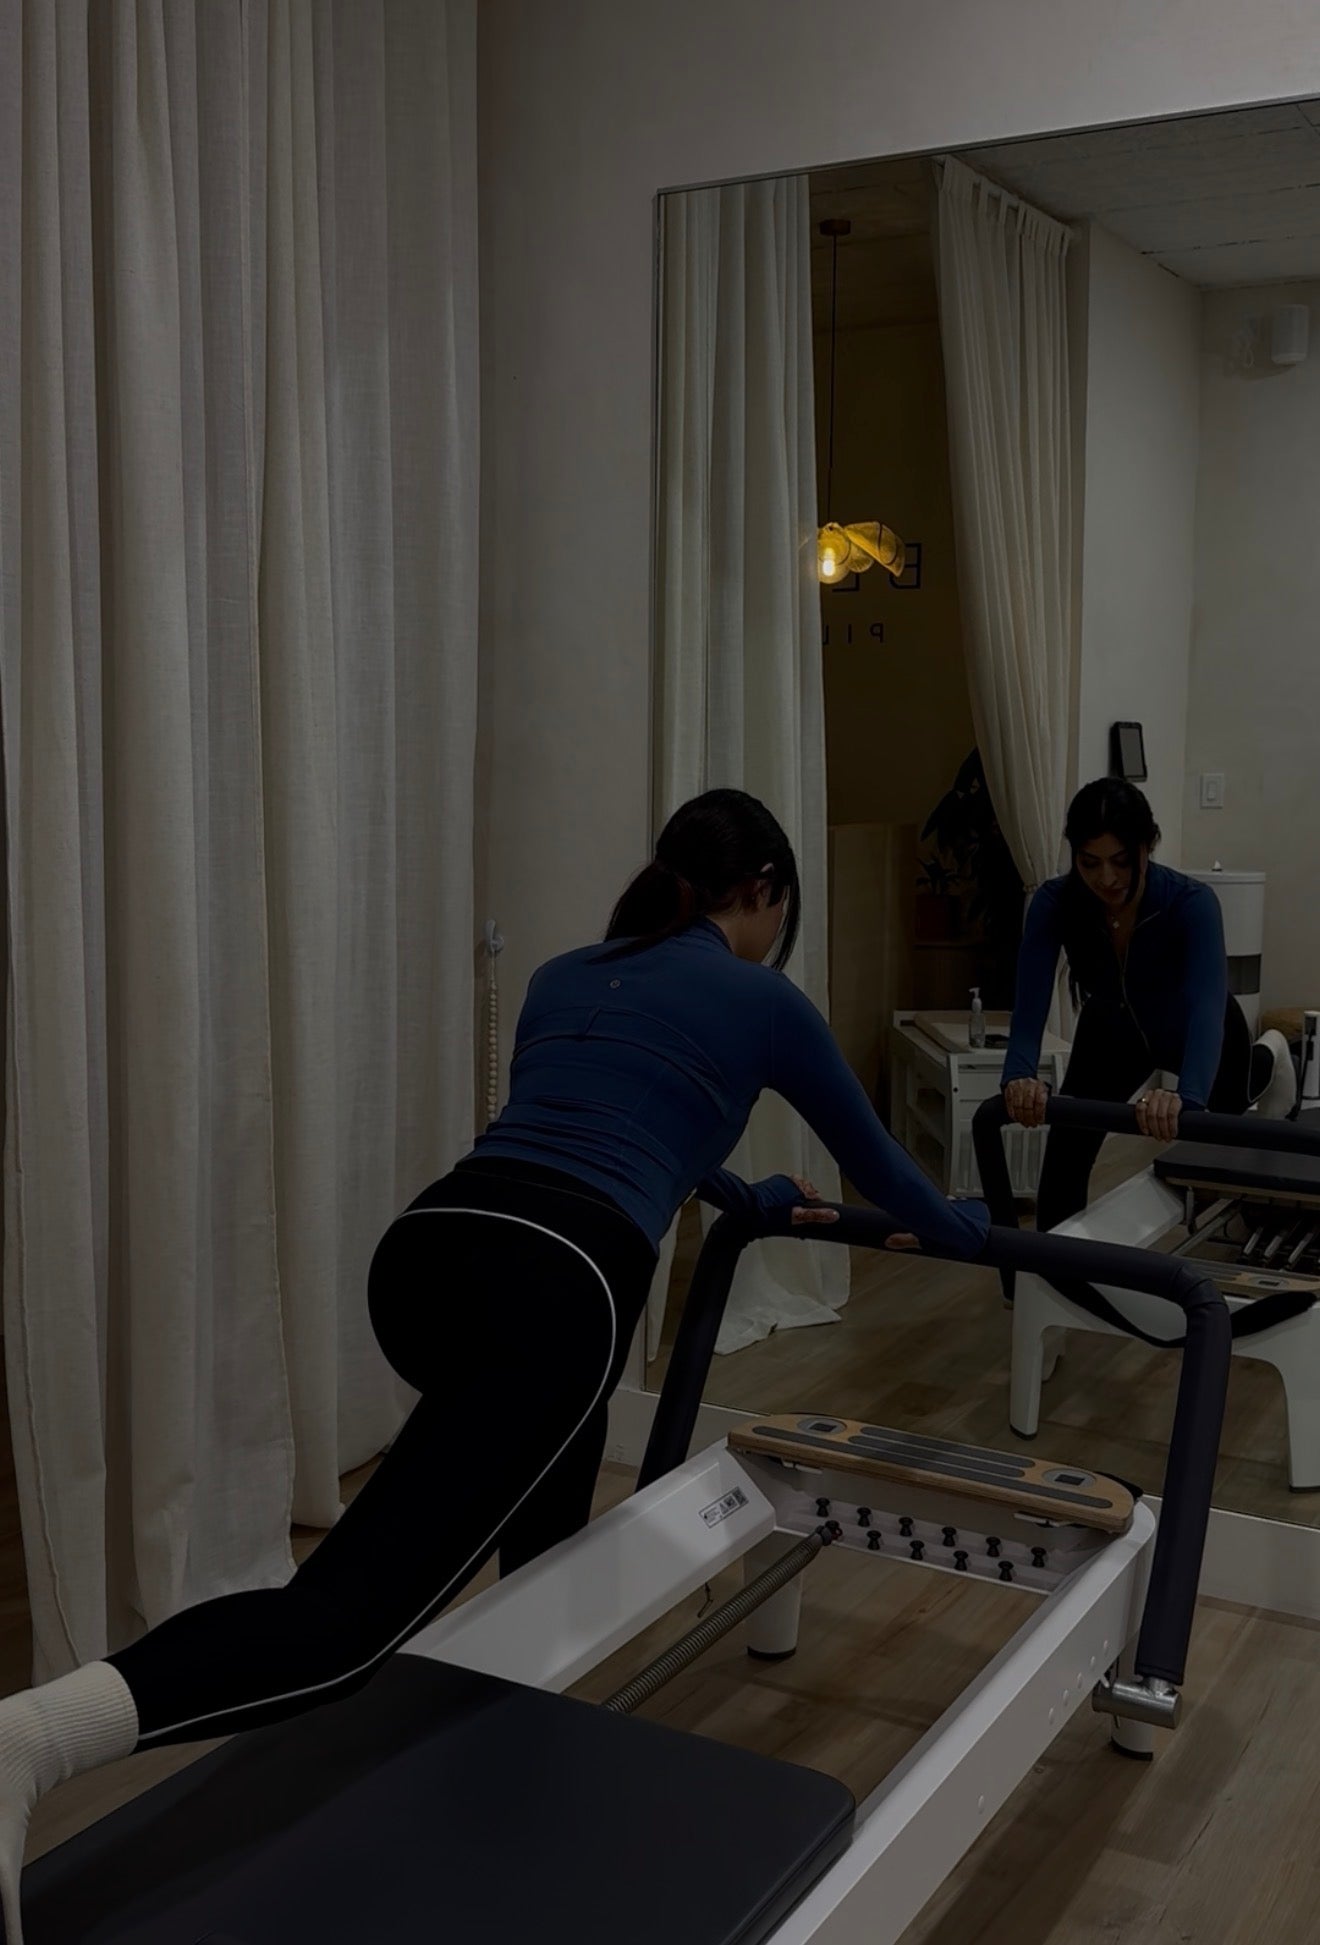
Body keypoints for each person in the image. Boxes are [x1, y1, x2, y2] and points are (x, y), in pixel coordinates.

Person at [0, 786, 989, 1939]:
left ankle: (524, 1744)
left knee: (549, 1471)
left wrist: (744, 1194)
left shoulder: (563, 976)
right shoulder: (764, 999)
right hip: (557, 1290)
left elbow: (603, 1124)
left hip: (431, 1256)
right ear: (765, 889)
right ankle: (31, 1740)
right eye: (783, 909)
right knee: (344, 1622)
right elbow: (887, 1171)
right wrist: (978, 1236)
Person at [1001, 777, 1251, 1234]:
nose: (1106, 878)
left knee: (1225, 1168)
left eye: (1120, 861)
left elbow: (1206, 1006)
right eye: (1089, 862)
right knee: (1064, 1159)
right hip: (1111, 1029)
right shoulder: (1054, 903)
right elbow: (1029, 1002)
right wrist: (1018, 1074)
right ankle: (1050, 1272)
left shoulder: (1192, 903)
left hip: (1201, 1030)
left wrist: (1188, 1097)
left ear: (1146, 846)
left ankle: (1267, 1063)